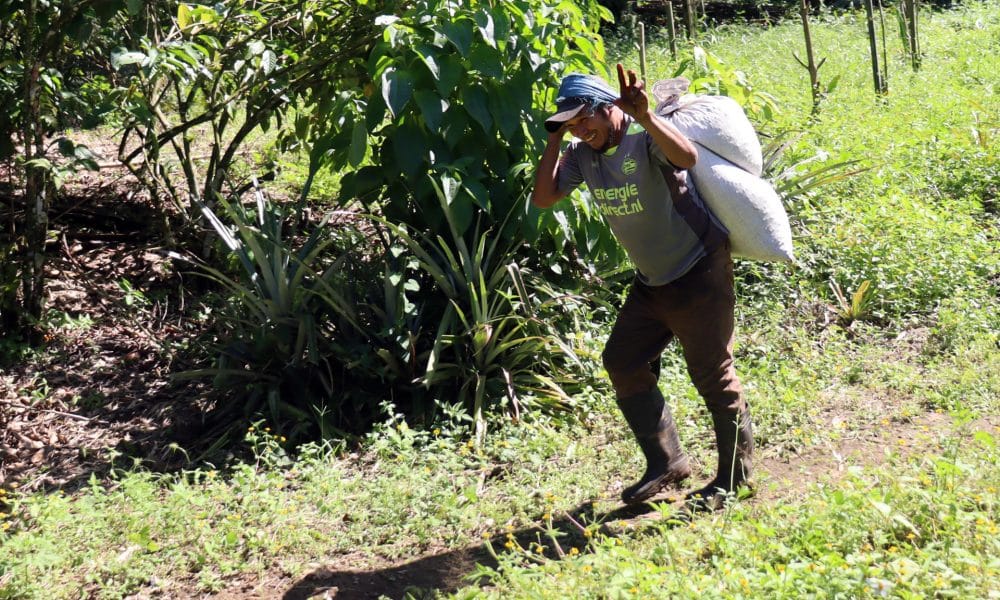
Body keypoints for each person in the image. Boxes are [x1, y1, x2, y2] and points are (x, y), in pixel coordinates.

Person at [531, 64, 754, 510]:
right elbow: (544, 197)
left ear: (608, 107)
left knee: (712, 374)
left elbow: (687, 159)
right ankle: (667, 463)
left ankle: (735, 479)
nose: (582, 129)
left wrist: (647, 116)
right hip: (652, 282)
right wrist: (556, 139)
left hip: (698, 270)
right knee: (623, 360)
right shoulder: (581, 155)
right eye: (572, 123)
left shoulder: (642, 136)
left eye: (585, 118)